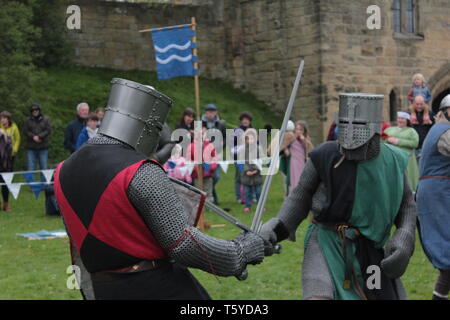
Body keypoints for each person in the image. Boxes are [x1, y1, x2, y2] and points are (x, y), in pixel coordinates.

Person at [54, 78, 268, 300]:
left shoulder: (62, 170)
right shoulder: (139, 170)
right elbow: (182, 244)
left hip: (104, 290)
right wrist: (239, 253)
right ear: (146, 126)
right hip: (155, 286)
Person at [261, 93, 416, 300]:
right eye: (345, 121)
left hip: (370, 252)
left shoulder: (393, 161)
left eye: (359, 122)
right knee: (318, 297)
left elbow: (407, 205)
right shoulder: (325, 155)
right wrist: (278, 227)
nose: (352, 128)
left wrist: (404, 237)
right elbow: (301, 196)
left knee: (378, 296)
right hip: (325, 243)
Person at [416, 94, 450, 300]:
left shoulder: (439, 128)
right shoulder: (444, 132)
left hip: (439, 189)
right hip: (438, 193)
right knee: (447, 249)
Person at [384, 111, 420, 191]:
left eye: (403, 119)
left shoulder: (411, 131)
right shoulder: (389, 130)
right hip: (392, 158)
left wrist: (398, 141)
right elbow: (382, 141)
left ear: (407, 120)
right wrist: (387, 140)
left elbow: (415, 143)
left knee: (407, 179)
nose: (400, 120)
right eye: (399, 118)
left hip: (407, 159)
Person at [202, 104, 226, 205]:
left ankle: (211, 196)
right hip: (204, 154)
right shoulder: (200, 123)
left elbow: (225, 138)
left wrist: (221, 146)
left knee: (216, 176)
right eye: (208, 111)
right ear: (205, 112)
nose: (210, 113)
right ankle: (212, 199)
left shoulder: (220, 124)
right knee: (208, 176)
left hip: (216, 154)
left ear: (216, 112)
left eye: (212, 111)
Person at [188, 127, 218, 204]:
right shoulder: (191, 146)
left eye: (203, 133)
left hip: (208, 174)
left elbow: (214, 158)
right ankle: (199, 208)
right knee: (198, 192)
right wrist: (195, 168)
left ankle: (209, 206)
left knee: (208, 191)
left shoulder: (210, 146)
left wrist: (211, 167)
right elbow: (189, 160)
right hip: (196, 174)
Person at [231, 112, 254, 204]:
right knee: (239, 178)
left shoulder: (253, 130)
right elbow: (232, 145)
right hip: (239, 157)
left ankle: (251, 197)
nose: (245, 121)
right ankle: (239, 197)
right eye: (243, 119)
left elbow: (258, 143)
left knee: (252, 177)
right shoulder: (236, 131)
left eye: (247, 119)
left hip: (251, 157)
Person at [0, 111, 20, 211]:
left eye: (4, 118)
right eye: (1, 118)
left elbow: (17, 139)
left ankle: (6, 204)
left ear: (8, 119)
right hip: (0, 158)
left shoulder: (14, 127)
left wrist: (14, 151)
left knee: (6, 181)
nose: (2, 120)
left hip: (9, 158)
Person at [23, 104, 51, 173]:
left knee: (44, 167)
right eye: (33, 110)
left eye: (36, 110)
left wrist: (39, 136)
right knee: (30, 167)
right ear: (31, 112)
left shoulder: (46, 119)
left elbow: (48, 130)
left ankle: (45, 183)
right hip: (31, 147)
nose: (35, 111)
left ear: (39, 111)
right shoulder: (28, 120)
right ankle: (30, 183)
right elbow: (25, 131)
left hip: (43, 146)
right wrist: (33, 137)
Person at [241, 129, 263, 213]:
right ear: (246, 139)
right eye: (248, 138)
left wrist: (256, 170)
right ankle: (247, 206)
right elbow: (243, 161)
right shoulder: (243, 150)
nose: (250, 140)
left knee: (258, 191)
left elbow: (260, 160)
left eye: (252, 138)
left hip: (257, 174)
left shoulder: (258, 149)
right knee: (247, 192)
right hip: (246, 175)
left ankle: (260, 206)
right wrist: (247, 171)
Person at [409, 95, 434, 162]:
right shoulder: (409, 113)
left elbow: (435, 127)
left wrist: (430, 122)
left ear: (424, 103)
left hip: (424, 145)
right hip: (413, 146)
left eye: (421, 104)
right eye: (417, 104)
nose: (419, 106)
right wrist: (409, 122)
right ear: (414, 103)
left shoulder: (430, 114)